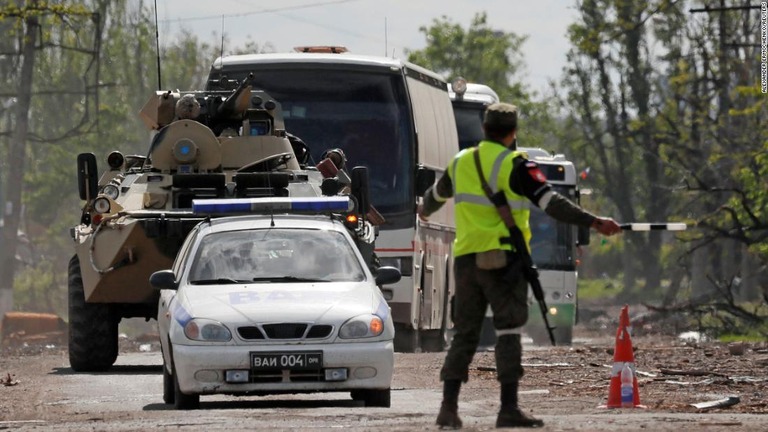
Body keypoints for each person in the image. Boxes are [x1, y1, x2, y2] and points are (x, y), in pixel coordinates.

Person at [417, 102, 622, 429]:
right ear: (513, 133)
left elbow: (432, 200)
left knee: (464, 335)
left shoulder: (461, 162)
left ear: (484, 129)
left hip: (466, 261)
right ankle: (508, 408)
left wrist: (424, 210)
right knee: (509, 330)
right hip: (503, 260)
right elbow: (552, 203)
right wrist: (594, 221)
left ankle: (448, 408)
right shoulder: (518, 165)